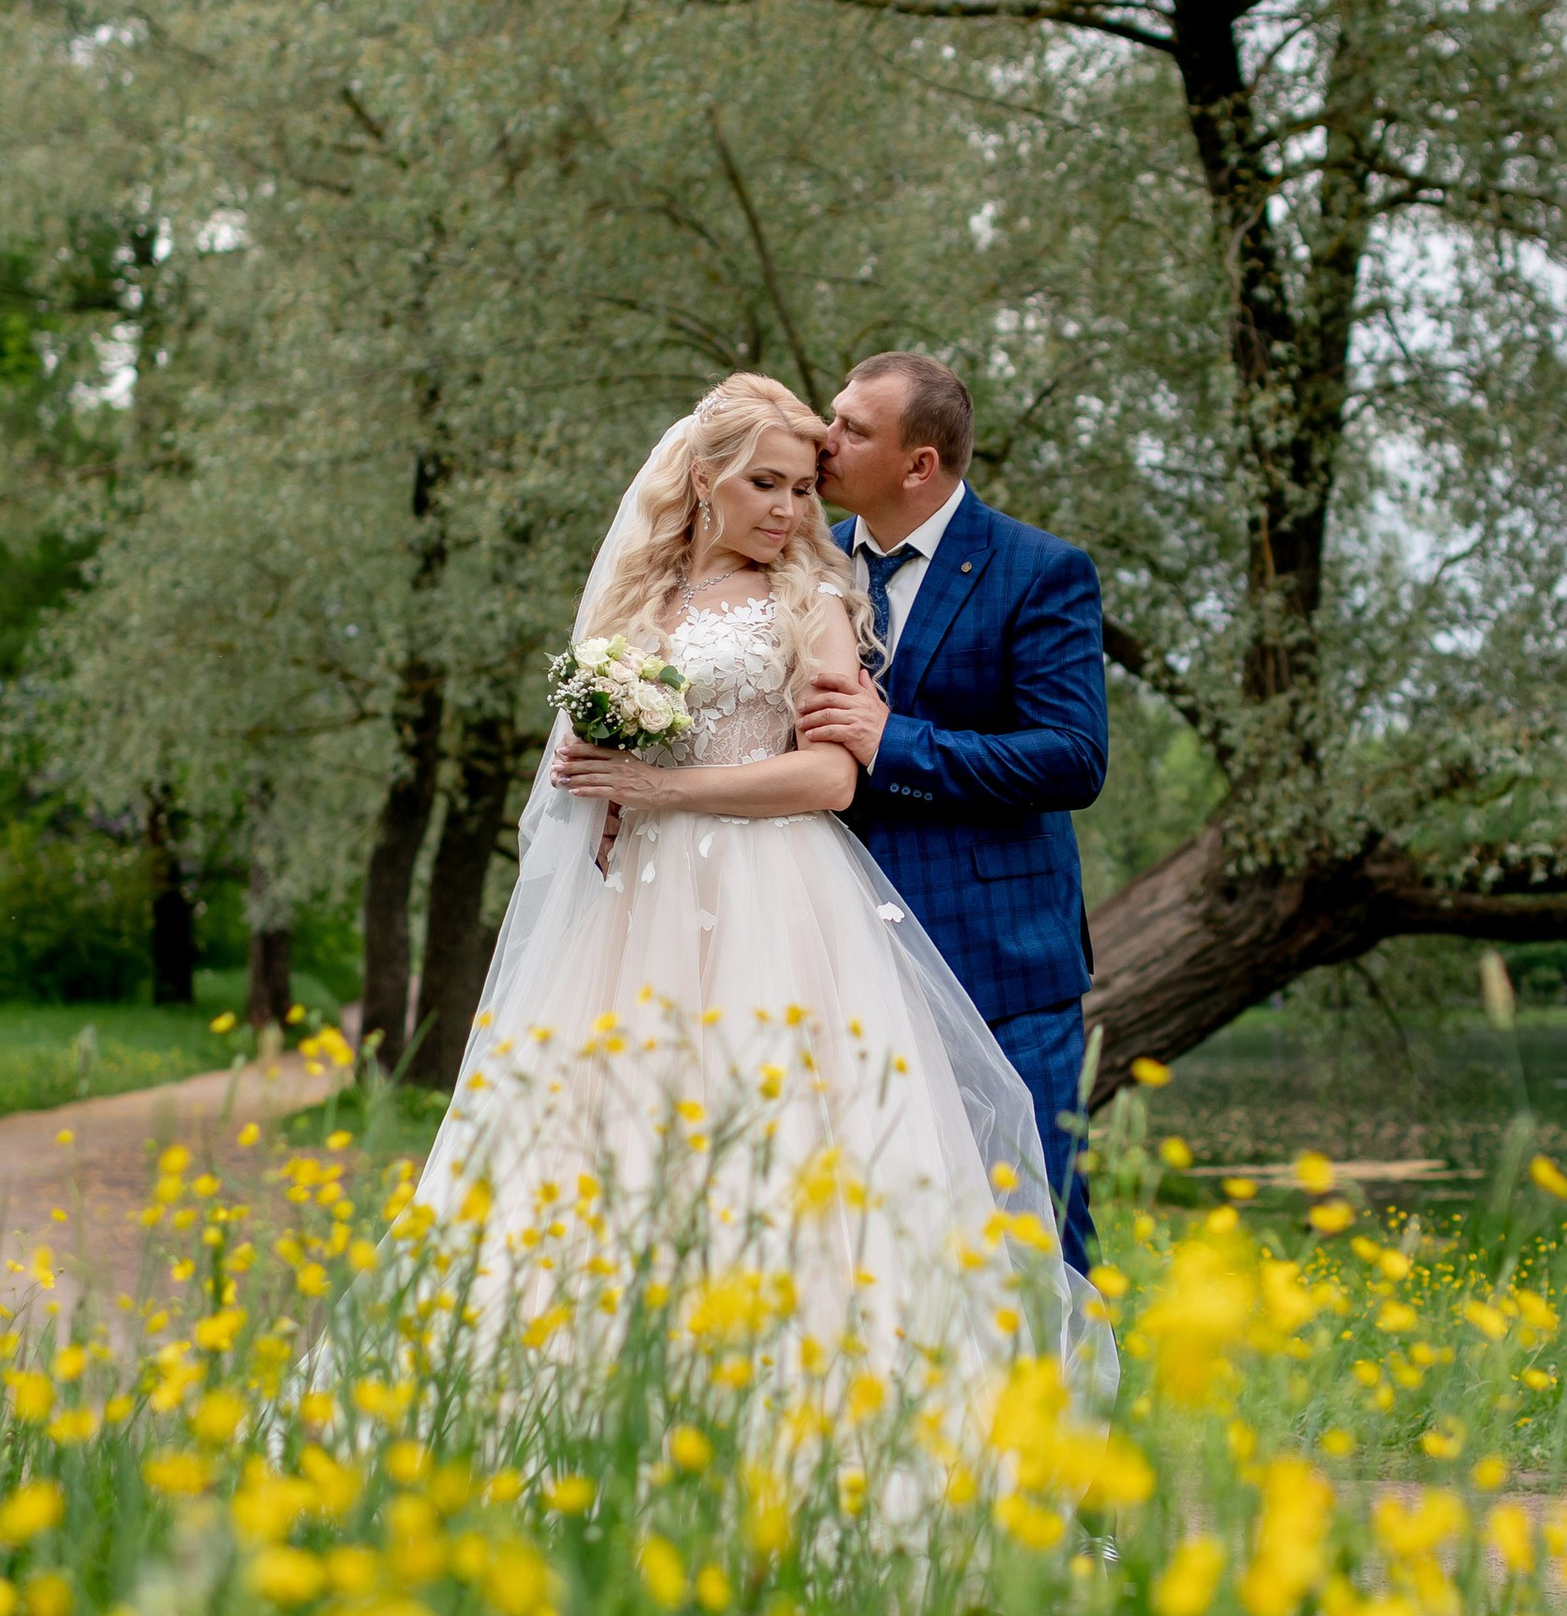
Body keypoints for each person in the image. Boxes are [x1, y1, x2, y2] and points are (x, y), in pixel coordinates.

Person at [409, 373, 1064, 1380]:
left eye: (803, 488)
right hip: (637, 911)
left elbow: (832, 776)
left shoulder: (814, 599)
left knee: (785, 1148)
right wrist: (604, 786)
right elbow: (590, 760)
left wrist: (667, 787)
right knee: (617, 1147)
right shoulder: (639, 600)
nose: (792, 509)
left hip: (777, 898)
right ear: (705, 478)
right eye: (767, 483)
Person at [797, 352, 1108, 1283]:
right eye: (831, 416)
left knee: (1035, 1220)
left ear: (918, 465)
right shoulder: (803, 562)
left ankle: (1071, 1423)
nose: (825, 437)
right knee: (876, 1232)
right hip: (838, 951)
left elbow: (1072, 757)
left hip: (1000, 960)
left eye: (853, 427)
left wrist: (896, 743)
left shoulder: (1039, 571)